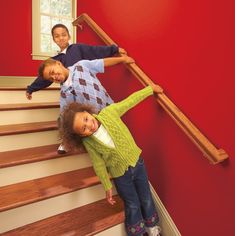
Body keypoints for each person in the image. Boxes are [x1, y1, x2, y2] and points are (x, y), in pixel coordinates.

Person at [59, 84, 163, 236]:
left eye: (86, 119)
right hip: (121, 175)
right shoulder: (90, 142)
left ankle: (153, 227)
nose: (89, 126)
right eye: (84, 129)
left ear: (86, 111)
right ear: (81, 136)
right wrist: (107, 186)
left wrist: (149, 89)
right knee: (132, 204)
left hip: (137, 163)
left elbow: (130, 101)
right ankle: (138, 232)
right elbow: (98, 164)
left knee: (146, 197)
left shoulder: (109, 113)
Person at [27, 23, 126, 153]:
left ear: (68, 36)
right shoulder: (54, 61)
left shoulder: (77, 49)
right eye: (57, 36)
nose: (61, 38)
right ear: (54, 40)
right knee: (65, 115)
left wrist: (115, 50)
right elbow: (43, 79)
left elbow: (95, 51)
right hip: (73, 94)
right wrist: (31, 88)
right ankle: (66, 140)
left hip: (85, 84)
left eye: (63, 35)